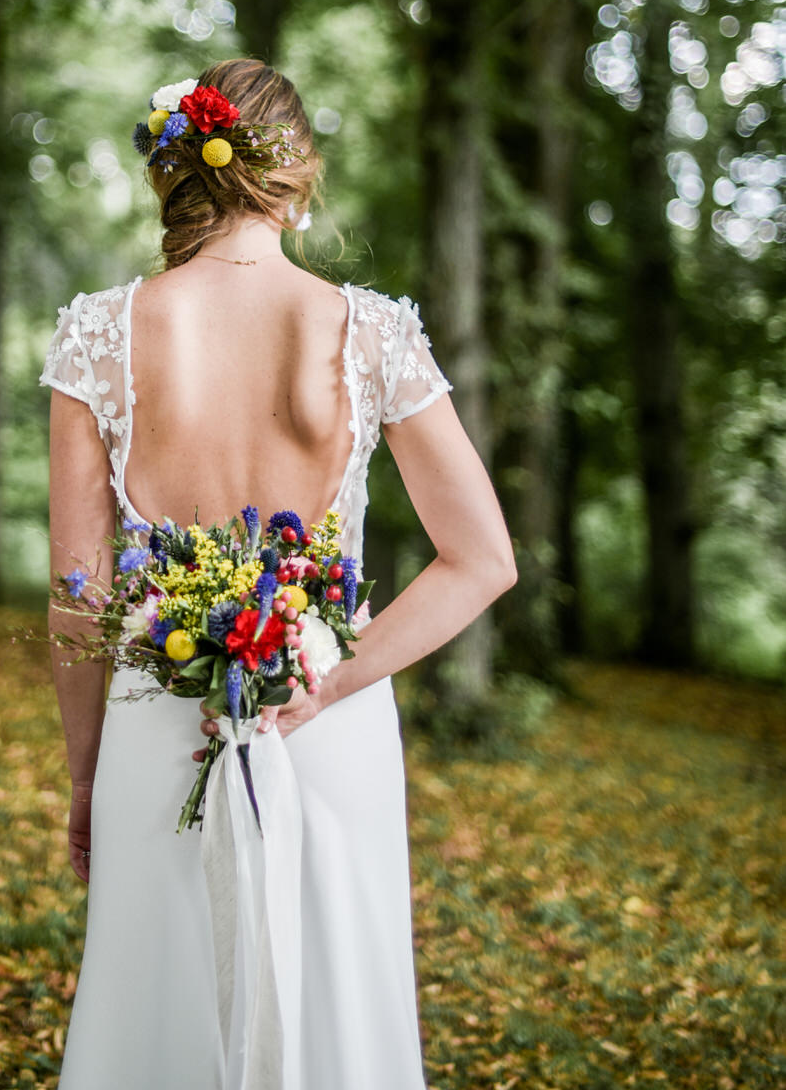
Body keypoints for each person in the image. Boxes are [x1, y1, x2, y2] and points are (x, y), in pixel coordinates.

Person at [39, 58, 517, 1090]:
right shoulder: (370, 331)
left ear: (179, 176)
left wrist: (86, 778)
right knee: (338, 1001)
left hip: (156, 723)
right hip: (329, 718)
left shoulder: (97, 335)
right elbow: (483, 557)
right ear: (294, 178)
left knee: (155, 1003)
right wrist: (327, 684)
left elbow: (79, 591)